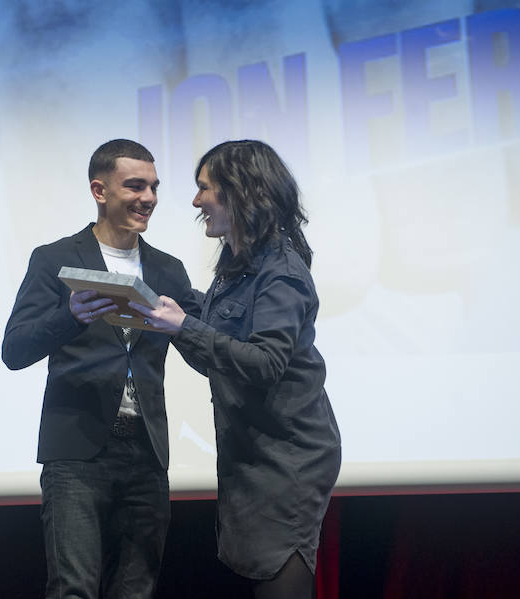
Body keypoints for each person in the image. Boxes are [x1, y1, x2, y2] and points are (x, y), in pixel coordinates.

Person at [130, 140, 342, 599]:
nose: (195, 200)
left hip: (288, 460)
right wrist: (169, 313)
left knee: (279, 576)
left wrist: (184, 325)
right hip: (256, 456)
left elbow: (263, 364)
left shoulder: (280, 273)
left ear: (239, 191)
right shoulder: (239, 265)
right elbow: (221, 352)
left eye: (204, 188)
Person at [1, 139, 201, 598]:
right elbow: (14, 350)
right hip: (76, 451)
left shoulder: (167, 269)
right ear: (99, 190)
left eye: (153, 187)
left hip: (147, 452)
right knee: (74, 589)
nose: (148, 197)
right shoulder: (54, 259)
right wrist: (68, 315)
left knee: (136, 590)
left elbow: (204, 344)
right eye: (135, 185)